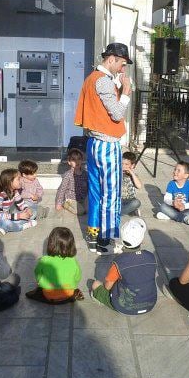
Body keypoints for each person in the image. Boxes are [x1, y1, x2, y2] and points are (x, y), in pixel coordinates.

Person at [74, 42, 133, 255]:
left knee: (96, 192)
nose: (123, 69)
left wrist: (117, 87)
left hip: (93, 143)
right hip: (107, 145)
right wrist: (126, 92)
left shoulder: (93, 79)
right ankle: (107, 240)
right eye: (122, 64)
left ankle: (93, 237)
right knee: (111, 194)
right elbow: (117, 114)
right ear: (111, 59)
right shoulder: (103, 81)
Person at [90, 218, 157, 315]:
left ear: (122, 240)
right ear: (142, 240)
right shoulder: (151, 257)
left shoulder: (118, 262)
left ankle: (100, 298)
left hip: (124, 307)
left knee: (95, 284)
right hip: (150, 304)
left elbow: (107, 286)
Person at [26, 227, 83, 304]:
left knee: (36, 292)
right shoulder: (73, 261)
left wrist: (40, 283)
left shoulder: (44, 260)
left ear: (51, 244)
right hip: (68, 293)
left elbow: (37, 273)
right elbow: (77, 277)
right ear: (71, 245)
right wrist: (72, 285)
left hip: (49, 294)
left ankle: (39, 295)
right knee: (71, 289)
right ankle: (73, 295)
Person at [0, 168, 36, 234]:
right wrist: (19, 216)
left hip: (7, 216)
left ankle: (6, 228)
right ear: (9, 181)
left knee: (33, 212)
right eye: (18, 179)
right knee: (7, 222)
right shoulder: (0, 196)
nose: (20, 181)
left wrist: (26, 209)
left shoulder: (14, 191)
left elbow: (21, 204)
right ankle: (21, 227)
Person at [155, 161, 189, 225]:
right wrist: (173, 203)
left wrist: (184, 206)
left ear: (186, 175)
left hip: (185, 209)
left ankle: (171, 216)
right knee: (163, 206)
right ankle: (185, 218)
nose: (175, 172)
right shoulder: (171, 184)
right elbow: (166, 199)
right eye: (175, 169)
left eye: (178, 171)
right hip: (173, 208)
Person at [55, 148, 88, 215]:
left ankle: (81, 206)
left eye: (79, 159)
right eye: (73, 160)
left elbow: (88, 187)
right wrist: (58, 203)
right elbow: (62, 189)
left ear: (82, 160)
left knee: (90, 210)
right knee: (81, 211)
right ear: (69, 162)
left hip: (81, 199)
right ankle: (65, 204)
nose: (77, 161)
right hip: (71, 199)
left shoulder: (85, 173)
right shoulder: (68, 175)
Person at [121, 151, 142, 216]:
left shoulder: (133, 175)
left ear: (132, 166)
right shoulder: (117, 173)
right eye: (122, 164)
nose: (123, 166)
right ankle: (130, 211)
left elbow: (139, 186)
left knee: (137, 202)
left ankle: (119, 213)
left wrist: (131, 173)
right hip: (119, 199)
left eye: (126, 164)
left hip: (130, 200)